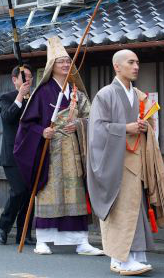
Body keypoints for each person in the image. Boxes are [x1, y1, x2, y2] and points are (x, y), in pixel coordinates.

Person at [14, 36, 103, 256]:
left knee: (75, 193)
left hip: (73, 151)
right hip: (50, 151)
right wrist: (42, 131)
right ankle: (43, 240)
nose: (65, 64)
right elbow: (27, 124)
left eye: (68, 61)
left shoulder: (76, 93)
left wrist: (79, 124)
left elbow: (93, 118)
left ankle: (80, 240)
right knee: (49, 193)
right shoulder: (42, 93)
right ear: (51, 66)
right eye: (60, 61)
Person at [87, 49, 164, 275]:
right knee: (123, 210)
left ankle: (133, 256)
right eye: (131, 62)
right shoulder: (105, 95)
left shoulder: (136, 95)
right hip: (116, 163)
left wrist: (144, 127)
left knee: (135, 209)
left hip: (136, 161)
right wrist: (125, 128)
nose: (136, 66)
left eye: (137, 63)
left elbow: (142, 125)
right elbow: (96, 130)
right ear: (117, 66)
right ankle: (120, 259)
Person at [0, 65, 35, 246]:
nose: (28, 80)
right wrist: (20, 95)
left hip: (31, 153)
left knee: (29, 194)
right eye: (24, 76)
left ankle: (24, 233)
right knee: (18, 190)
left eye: (30, 76)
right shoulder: (6, 98)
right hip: (11, 154)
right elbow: (8, 118)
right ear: (15, 80)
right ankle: (3, 227)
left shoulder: (35, 99)